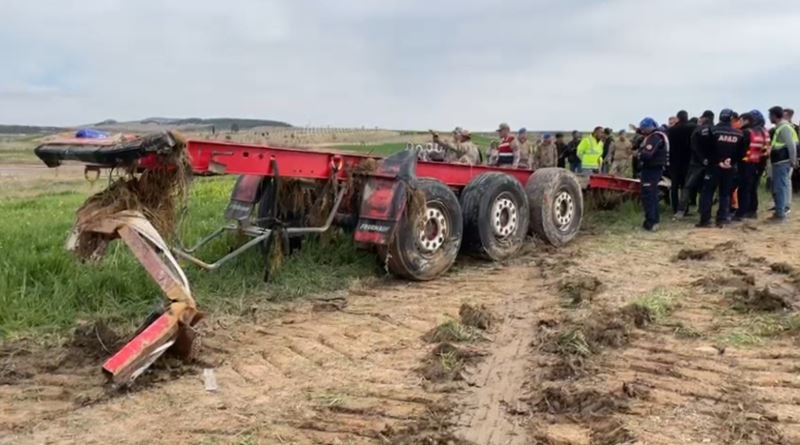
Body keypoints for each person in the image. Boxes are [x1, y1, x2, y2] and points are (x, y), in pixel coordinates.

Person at [696, 109, 747, 228]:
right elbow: (742, 152)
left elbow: (704, 147)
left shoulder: (712, 130)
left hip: (713, 166)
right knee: (725, 193)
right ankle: (722, 218)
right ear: (731, 119)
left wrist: (715, 161)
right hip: (729, 167)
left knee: (707, 193)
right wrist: (731, 161)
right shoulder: (739, 133)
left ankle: (705, 220)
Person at [734, 111, 769, 220]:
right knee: (752, 188)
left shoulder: (745, 132)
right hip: (759, 163)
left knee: (743, 189)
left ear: (747, 120)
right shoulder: (764, 132)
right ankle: (752, 211)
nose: (739, 122)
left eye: (740, 120)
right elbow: (766, 150)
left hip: (745, 163)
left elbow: (739, 150)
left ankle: (741, 213)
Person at [637, 118, 669, 231]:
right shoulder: (660, 135)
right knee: (653, 195)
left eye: (644, 129)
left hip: (651, 169)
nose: (643, 131)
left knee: (649, 196)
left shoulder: (654, 137)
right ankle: (654, 220)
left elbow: (647, 155)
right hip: (655, 169)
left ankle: (651, 221)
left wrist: (639, 154)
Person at [767, 106, 798, 221]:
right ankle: (779, 212)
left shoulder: (784, 127)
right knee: (779, 187)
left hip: (782, 162)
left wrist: (793, 161)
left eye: (770, 115)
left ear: (775, 116)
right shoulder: (780, 127)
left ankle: (780, 215)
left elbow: (791, 145)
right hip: (779, 162)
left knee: (780, 188)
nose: (769, 118)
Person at [682, 110, 715, 217]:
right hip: (711, 163)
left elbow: (694, 146)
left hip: (696, 163)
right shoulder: (716, 130)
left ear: (705, 118)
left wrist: (702, 159)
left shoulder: (698, 130)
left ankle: (681, 210)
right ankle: (703, 210)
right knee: (706, 188)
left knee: (687, 186)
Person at [667, 110, 697, 217]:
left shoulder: (672, 130)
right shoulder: (692, 128)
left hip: (674, 161)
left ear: (678, 118)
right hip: (687, 161)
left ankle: (675, 208)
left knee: (674, 186)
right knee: (686, 186)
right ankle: (684, 208)